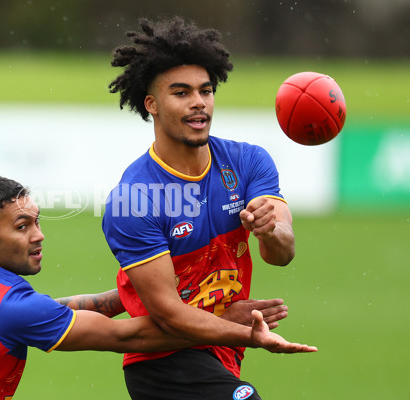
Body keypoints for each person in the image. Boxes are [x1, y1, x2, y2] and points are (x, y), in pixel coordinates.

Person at [0, 176, 315, 400]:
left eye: (38, 221)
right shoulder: (13, 308)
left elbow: (42, 312)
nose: (39, 235)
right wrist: (228, 324)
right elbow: (132, 337)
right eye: (23, 226)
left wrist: (128, 293)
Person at [102, 17, 306, 399]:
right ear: (152, 105)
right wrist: (248, 332)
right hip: (163, 363)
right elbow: (168, 315)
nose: (199, 102)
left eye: (206, 90)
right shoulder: (134, 199)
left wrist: (269, 231)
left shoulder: (248, 162)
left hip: (222, 353)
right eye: (181, 93)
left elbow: (283, 254)